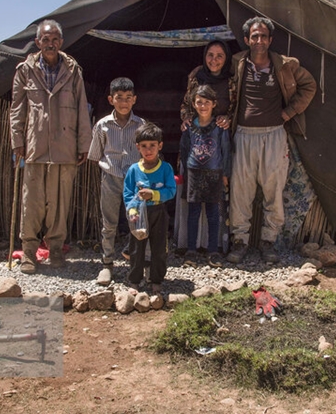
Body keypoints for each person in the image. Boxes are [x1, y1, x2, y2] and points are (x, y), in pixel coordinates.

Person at [226, 17, 317, 264]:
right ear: (246, 40)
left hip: (275, 134)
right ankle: (240, 242)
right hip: (244, 134)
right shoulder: (237, 62)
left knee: (273, 189)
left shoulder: (286, 65)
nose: (259, 40)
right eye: (254, 36)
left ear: (270, 40)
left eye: (263, 36)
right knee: (240, 191)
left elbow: (309, 86)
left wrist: (288, 113)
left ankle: (269, 242)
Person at [10, 19, 91, 274]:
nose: (50, 44)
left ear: (61, 42)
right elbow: (17, 108)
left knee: (59, 203)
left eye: (55, 39)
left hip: (65, 146)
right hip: (35, 146)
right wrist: (17, 141)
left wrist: (83, 144)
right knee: (31, 201)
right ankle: (29, 253)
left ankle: (56, 249)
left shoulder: (72, 69)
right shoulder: (25, 70)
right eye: (46, 39)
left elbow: (81, 107)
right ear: (37, 43)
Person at [87, 77, 145, 286]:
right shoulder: (102, 125)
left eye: (128, 98)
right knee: (109, 223)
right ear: (111, 99)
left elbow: (147, 154)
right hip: (110, 178)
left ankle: (136, 264)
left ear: (134, 100)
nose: (123, 102)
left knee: (136, 221)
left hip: (134, 180)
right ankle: (107, 263)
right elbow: (95, 155)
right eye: (119, 98)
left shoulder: (140, 125)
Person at [178, 85, 231, 263]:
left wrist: (225, 174)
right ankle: (191, 250)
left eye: (207, 102)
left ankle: (213, 250)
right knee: (192, 213)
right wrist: (185, 173)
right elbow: (184, 150)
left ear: (214, 104)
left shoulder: (219, 127)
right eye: (199, 102)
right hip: (194, 173)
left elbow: (225, 150)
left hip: (214, 174)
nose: (203, 106)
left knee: (213, 213)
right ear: (193, 104)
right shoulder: (189, 127)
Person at [123, 122, 176, 295]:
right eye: (144, 146)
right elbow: (128, 193)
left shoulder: (166, 168)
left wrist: (153, 194)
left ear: (160, 146)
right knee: (136, 249)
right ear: (138, 147)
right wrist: (132, 212)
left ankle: (156, 280)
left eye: (152, 145)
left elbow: (171, 191)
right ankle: (134, 281)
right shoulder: (133, 170)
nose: (148, 150)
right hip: (139, 214)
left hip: (159, 213)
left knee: (159, 248)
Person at [180, 40, 235, 130]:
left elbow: (237, 109)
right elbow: (186, 105)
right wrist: (187, 118)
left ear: (227, 58)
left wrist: (228, 119)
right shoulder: (196, 78)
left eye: (219, 56)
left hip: (222, 135)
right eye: (210, 55)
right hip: (198, 134)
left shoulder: (231, 82)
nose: (214, 60)